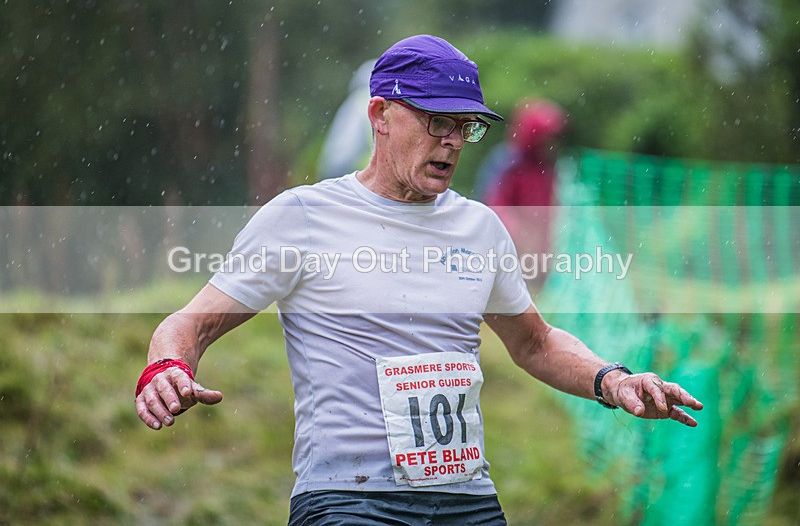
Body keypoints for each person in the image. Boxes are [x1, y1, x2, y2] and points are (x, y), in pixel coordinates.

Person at [135, 35, 703, 525]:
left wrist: (612, 380)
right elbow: (193, 322)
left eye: (466, 126)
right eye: (437, 122)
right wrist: (168, 365)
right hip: (348, 499)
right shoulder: (303, 217)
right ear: (380, 115)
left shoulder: (479, 228)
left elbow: (535, 342)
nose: (452, 141)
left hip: (466, 497)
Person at [483, 99, 568, 290]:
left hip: (538, 253)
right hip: (510, 249)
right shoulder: (507, 162)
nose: (551, 143)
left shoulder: (547, 165)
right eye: (547, 136)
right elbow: (495, 204)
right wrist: (517, 234)